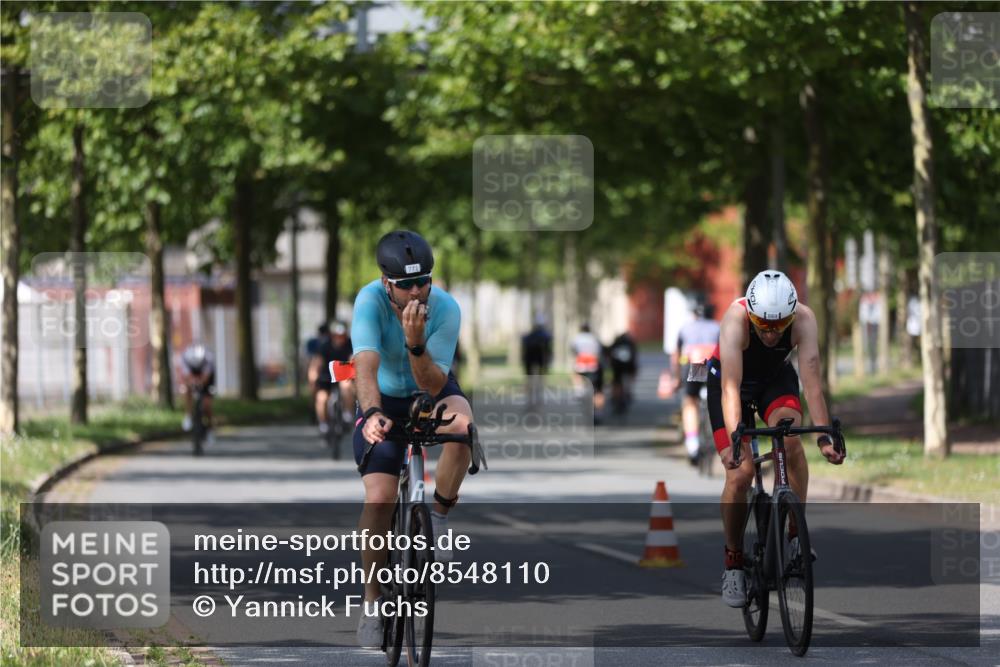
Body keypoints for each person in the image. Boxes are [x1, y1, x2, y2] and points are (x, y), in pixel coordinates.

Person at [351, 230, 474, 648]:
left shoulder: (445, 308)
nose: (417, 291)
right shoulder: (368, 301)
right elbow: (365, 365)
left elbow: (434, 381)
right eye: (406, 285)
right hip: (381, 397)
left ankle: (437, 515)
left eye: (424, 281)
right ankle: (371, 601)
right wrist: (371, 413)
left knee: (462, 427)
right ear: (387, 284)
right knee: (380, 498)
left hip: (430, 388)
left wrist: (415, 344)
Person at [707, 270, 844, 608]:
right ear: (751, 315)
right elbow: (729, 389)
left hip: (773, 379)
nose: (770, 335)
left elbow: (811, 382)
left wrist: (825, 437)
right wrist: (737, 442)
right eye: (763, 326)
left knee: (792, 438)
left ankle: (796, 533)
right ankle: (733, 561)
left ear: (791, 316)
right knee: (741, 474)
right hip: (730, 382)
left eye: (778, 327)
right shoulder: (735, 319)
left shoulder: (804, 319)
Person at [674, 301, 721, 464]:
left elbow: (676, 355)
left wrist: (676, 378)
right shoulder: (717, 327)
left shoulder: (685, 328)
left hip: (693, 363)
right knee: (719, 398)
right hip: (712, 364)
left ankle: (692, 444)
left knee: (690, 402)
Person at [308, 320, 354, 436]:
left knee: (346, 386)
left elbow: (352, 359)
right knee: (322, 398)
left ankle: (347, 414)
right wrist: (313, 377)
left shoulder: (350, 344)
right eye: (337, 335)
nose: (339, 338)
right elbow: (317, 363)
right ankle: (324, 423)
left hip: (344, 374)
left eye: (342, 335)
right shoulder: (324, 346)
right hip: (326, 376)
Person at [179, 343, 216, 446]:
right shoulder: (185, 358)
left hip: (207, 379)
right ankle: (188, 415)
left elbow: (206, 376)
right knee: (186, 390)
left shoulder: (208, 359)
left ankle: (210, 430)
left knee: (207, 405)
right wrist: (192, 383)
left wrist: (200, 383)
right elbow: (187, 375)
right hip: (192, 375)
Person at [570, 323, 605, 422]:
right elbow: (599, 352)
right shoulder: (594, 338)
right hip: (593, 365)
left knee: (575, 374)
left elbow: (573, 350)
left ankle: (578, 390)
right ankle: (598, 412)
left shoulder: (577, 338)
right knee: (598, 390)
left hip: (581, 364)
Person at [521, 316, 553, 407]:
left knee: (529, 378)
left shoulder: (528, 336)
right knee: (540, 378)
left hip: (529, 359)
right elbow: (548, 349)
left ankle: (530, 396)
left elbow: (524, 347)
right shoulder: (545, 336)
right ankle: (537, 395)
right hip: (540, 359)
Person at [607, 330, 638, 414]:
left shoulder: (617, 343)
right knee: (625, 382)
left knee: (617, 383)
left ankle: (617, 397)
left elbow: (609, 354)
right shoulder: (630, 344)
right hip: (627, 367)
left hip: (617, 367)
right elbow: (634, 357)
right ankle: (626, 394)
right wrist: (634, 371)